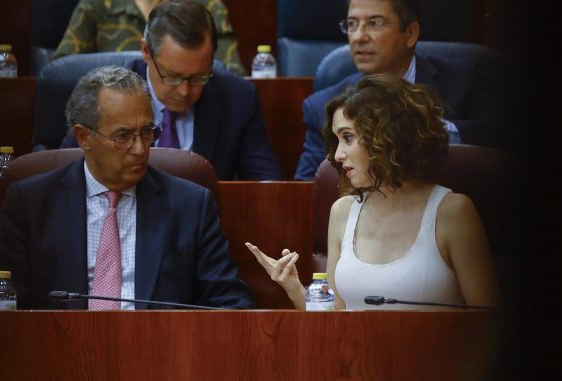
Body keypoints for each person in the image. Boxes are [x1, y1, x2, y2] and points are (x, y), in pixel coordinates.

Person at [0, 66, 254, 310]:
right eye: (123, 136)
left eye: (147, 132)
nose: (140, 149)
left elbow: (229, 305)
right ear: (83, 137)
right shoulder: (31, 203)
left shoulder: (191, 205)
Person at [247, 74, 500, 310]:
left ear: (387, 137)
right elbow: (335, 319)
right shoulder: (342, 211)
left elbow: (486, 320)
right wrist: (295, 290)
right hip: (354, 357)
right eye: (336, 140)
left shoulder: (453, 212)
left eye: (348, 138)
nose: (337, 155)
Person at [59, 0, 283, 181]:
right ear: (146, 52)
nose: (185, 91)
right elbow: (67, 175)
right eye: (173, 77)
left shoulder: (238, 98)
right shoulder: (106, 96)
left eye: (198, 77)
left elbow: (266, 184)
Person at [294, 0, 504, 180]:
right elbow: (309, 188)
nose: (358, 37)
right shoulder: (321, 106)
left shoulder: (465, 77)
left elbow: (499, 139)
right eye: (352, 24)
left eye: (374, 23)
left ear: (411, 33)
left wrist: (426, 129)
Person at [53, 0, 246, 76]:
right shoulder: (97, 5)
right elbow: (62, 73)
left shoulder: (206, 6)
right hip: (113, 118)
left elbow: (232, 73)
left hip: (189, 113)